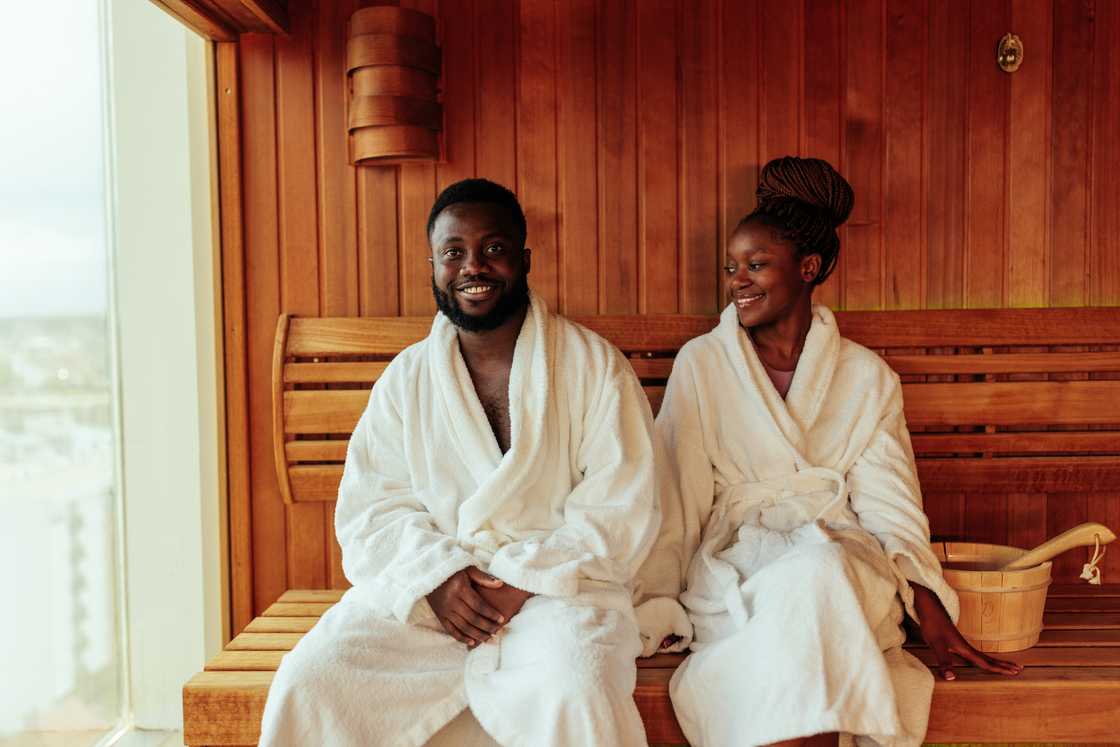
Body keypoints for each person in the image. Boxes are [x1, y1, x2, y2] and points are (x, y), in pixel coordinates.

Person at [633, 157, 1022, 747]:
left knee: (819, 572)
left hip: (843, 557)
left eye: (757, 265)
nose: (738, 280)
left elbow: (891, 504)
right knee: (803, 599)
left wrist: (929, 605)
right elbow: (678, 497)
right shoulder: (704, 365)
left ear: (808, 267)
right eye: (731, 267)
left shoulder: (866, 377)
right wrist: (656, 603)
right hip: (741, 565)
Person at [259, 178, 660, 747]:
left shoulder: (593, 367)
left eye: (493, 249)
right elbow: (373, 508)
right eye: (454, 252)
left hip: (559, 594)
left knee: (576, 686)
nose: (474, 266)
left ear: (523, 259)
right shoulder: (407, 379)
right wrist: (439, 579)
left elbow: (623, 503)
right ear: (434, 265)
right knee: (314, 679)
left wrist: (523, 580)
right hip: (435, 597)